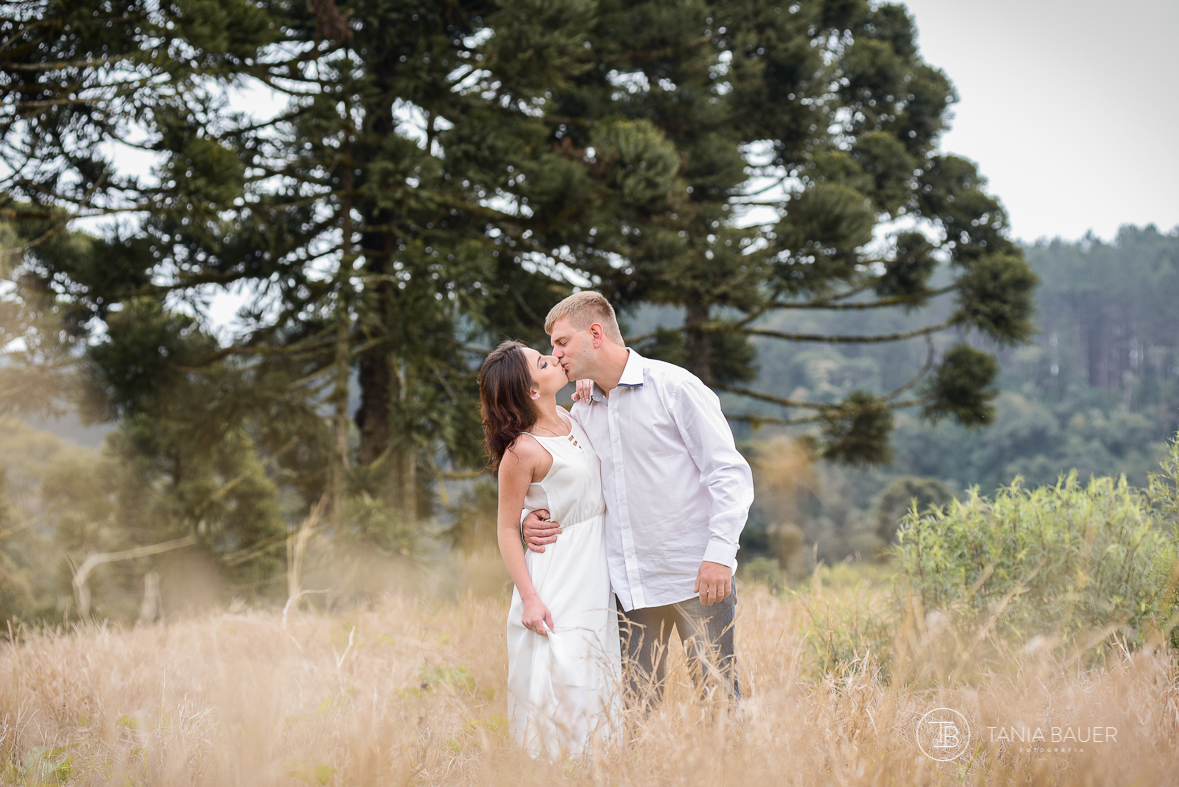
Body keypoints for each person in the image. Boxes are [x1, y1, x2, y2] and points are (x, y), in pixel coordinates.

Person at [523, 292, 754, 709]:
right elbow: (560, 473)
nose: (554, 355)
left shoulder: (674, 387)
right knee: (635, 711)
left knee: (719, 699)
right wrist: (527, 516)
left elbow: (729, 473)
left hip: (696, 576)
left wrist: (720, 554)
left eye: (561, 343)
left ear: (595, 333)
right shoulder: (581, 410)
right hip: (627, 587)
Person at [479, 340, 621, 760]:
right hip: (558, 574)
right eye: (543, 361)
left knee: (598, 673)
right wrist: (530, 599)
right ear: (531, 391)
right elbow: (506, 528)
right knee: (562, 675)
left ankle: (602, 766)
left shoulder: (569, 415)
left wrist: (588, 383)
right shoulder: (522, 451)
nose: (554, 356)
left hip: (596, 568)